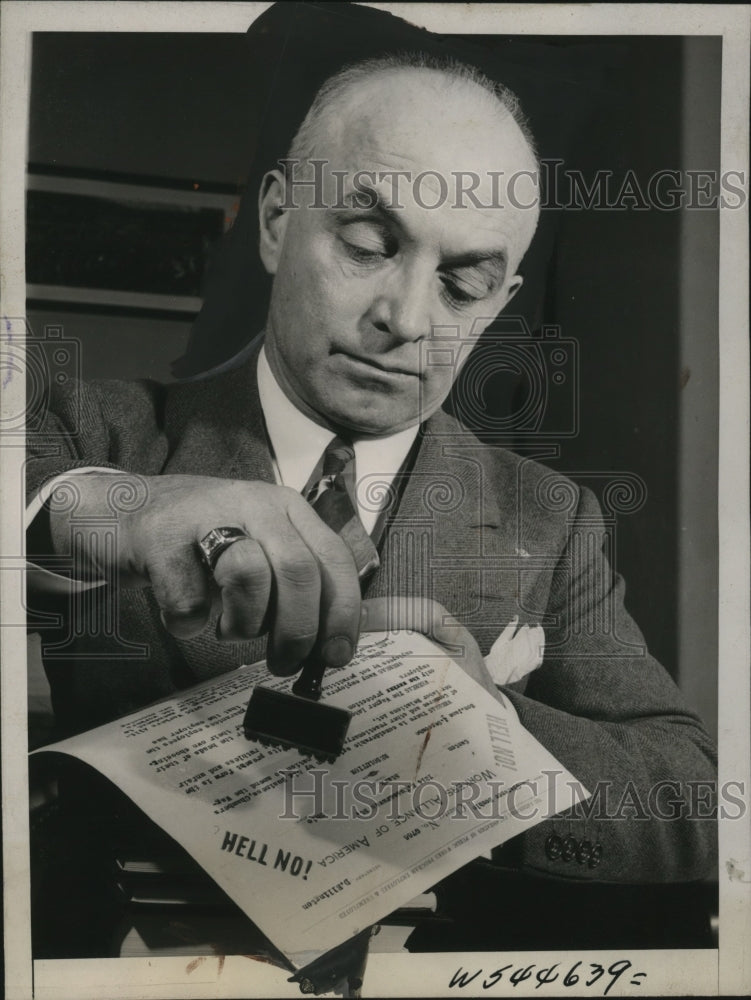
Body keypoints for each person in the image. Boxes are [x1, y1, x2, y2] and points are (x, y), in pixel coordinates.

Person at [27, 53, 716, 902]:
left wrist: (489, 731)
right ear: (277, 220)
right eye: (365, 246)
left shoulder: (550, 517)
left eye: (464, 284)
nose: (406, 319)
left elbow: (688, 802)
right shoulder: (98, 428)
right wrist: (106, 506)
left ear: (500, 300)